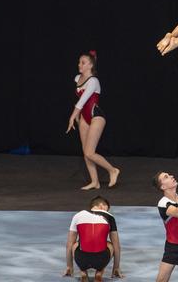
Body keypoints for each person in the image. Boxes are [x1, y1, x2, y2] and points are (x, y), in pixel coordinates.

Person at [66, 51, 120, 190]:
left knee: (90, 152)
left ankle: (113, 170)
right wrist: (77, 116)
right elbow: (78, 101)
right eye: (79, 62)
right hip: (84, 117)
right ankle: (94, 182)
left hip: (96, 116)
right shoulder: (77, 78)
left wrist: (72, 116)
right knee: (86, 153)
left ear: (90, 65)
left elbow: (83, 100)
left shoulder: (94, 81)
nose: (80, 65)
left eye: (83, 62)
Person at [63, 195, 122, 282]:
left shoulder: (78, 215)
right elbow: (117, 246)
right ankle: (99, 272)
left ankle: (83, 272)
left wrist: (69, 266)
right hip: (102, 259)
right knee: (111, 244)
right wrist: (116, 268)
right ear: (102, 206)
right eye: (107, 209)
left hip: (81, 259)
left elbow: (69, 245)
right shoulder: (110, 217)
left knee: (75, 244)